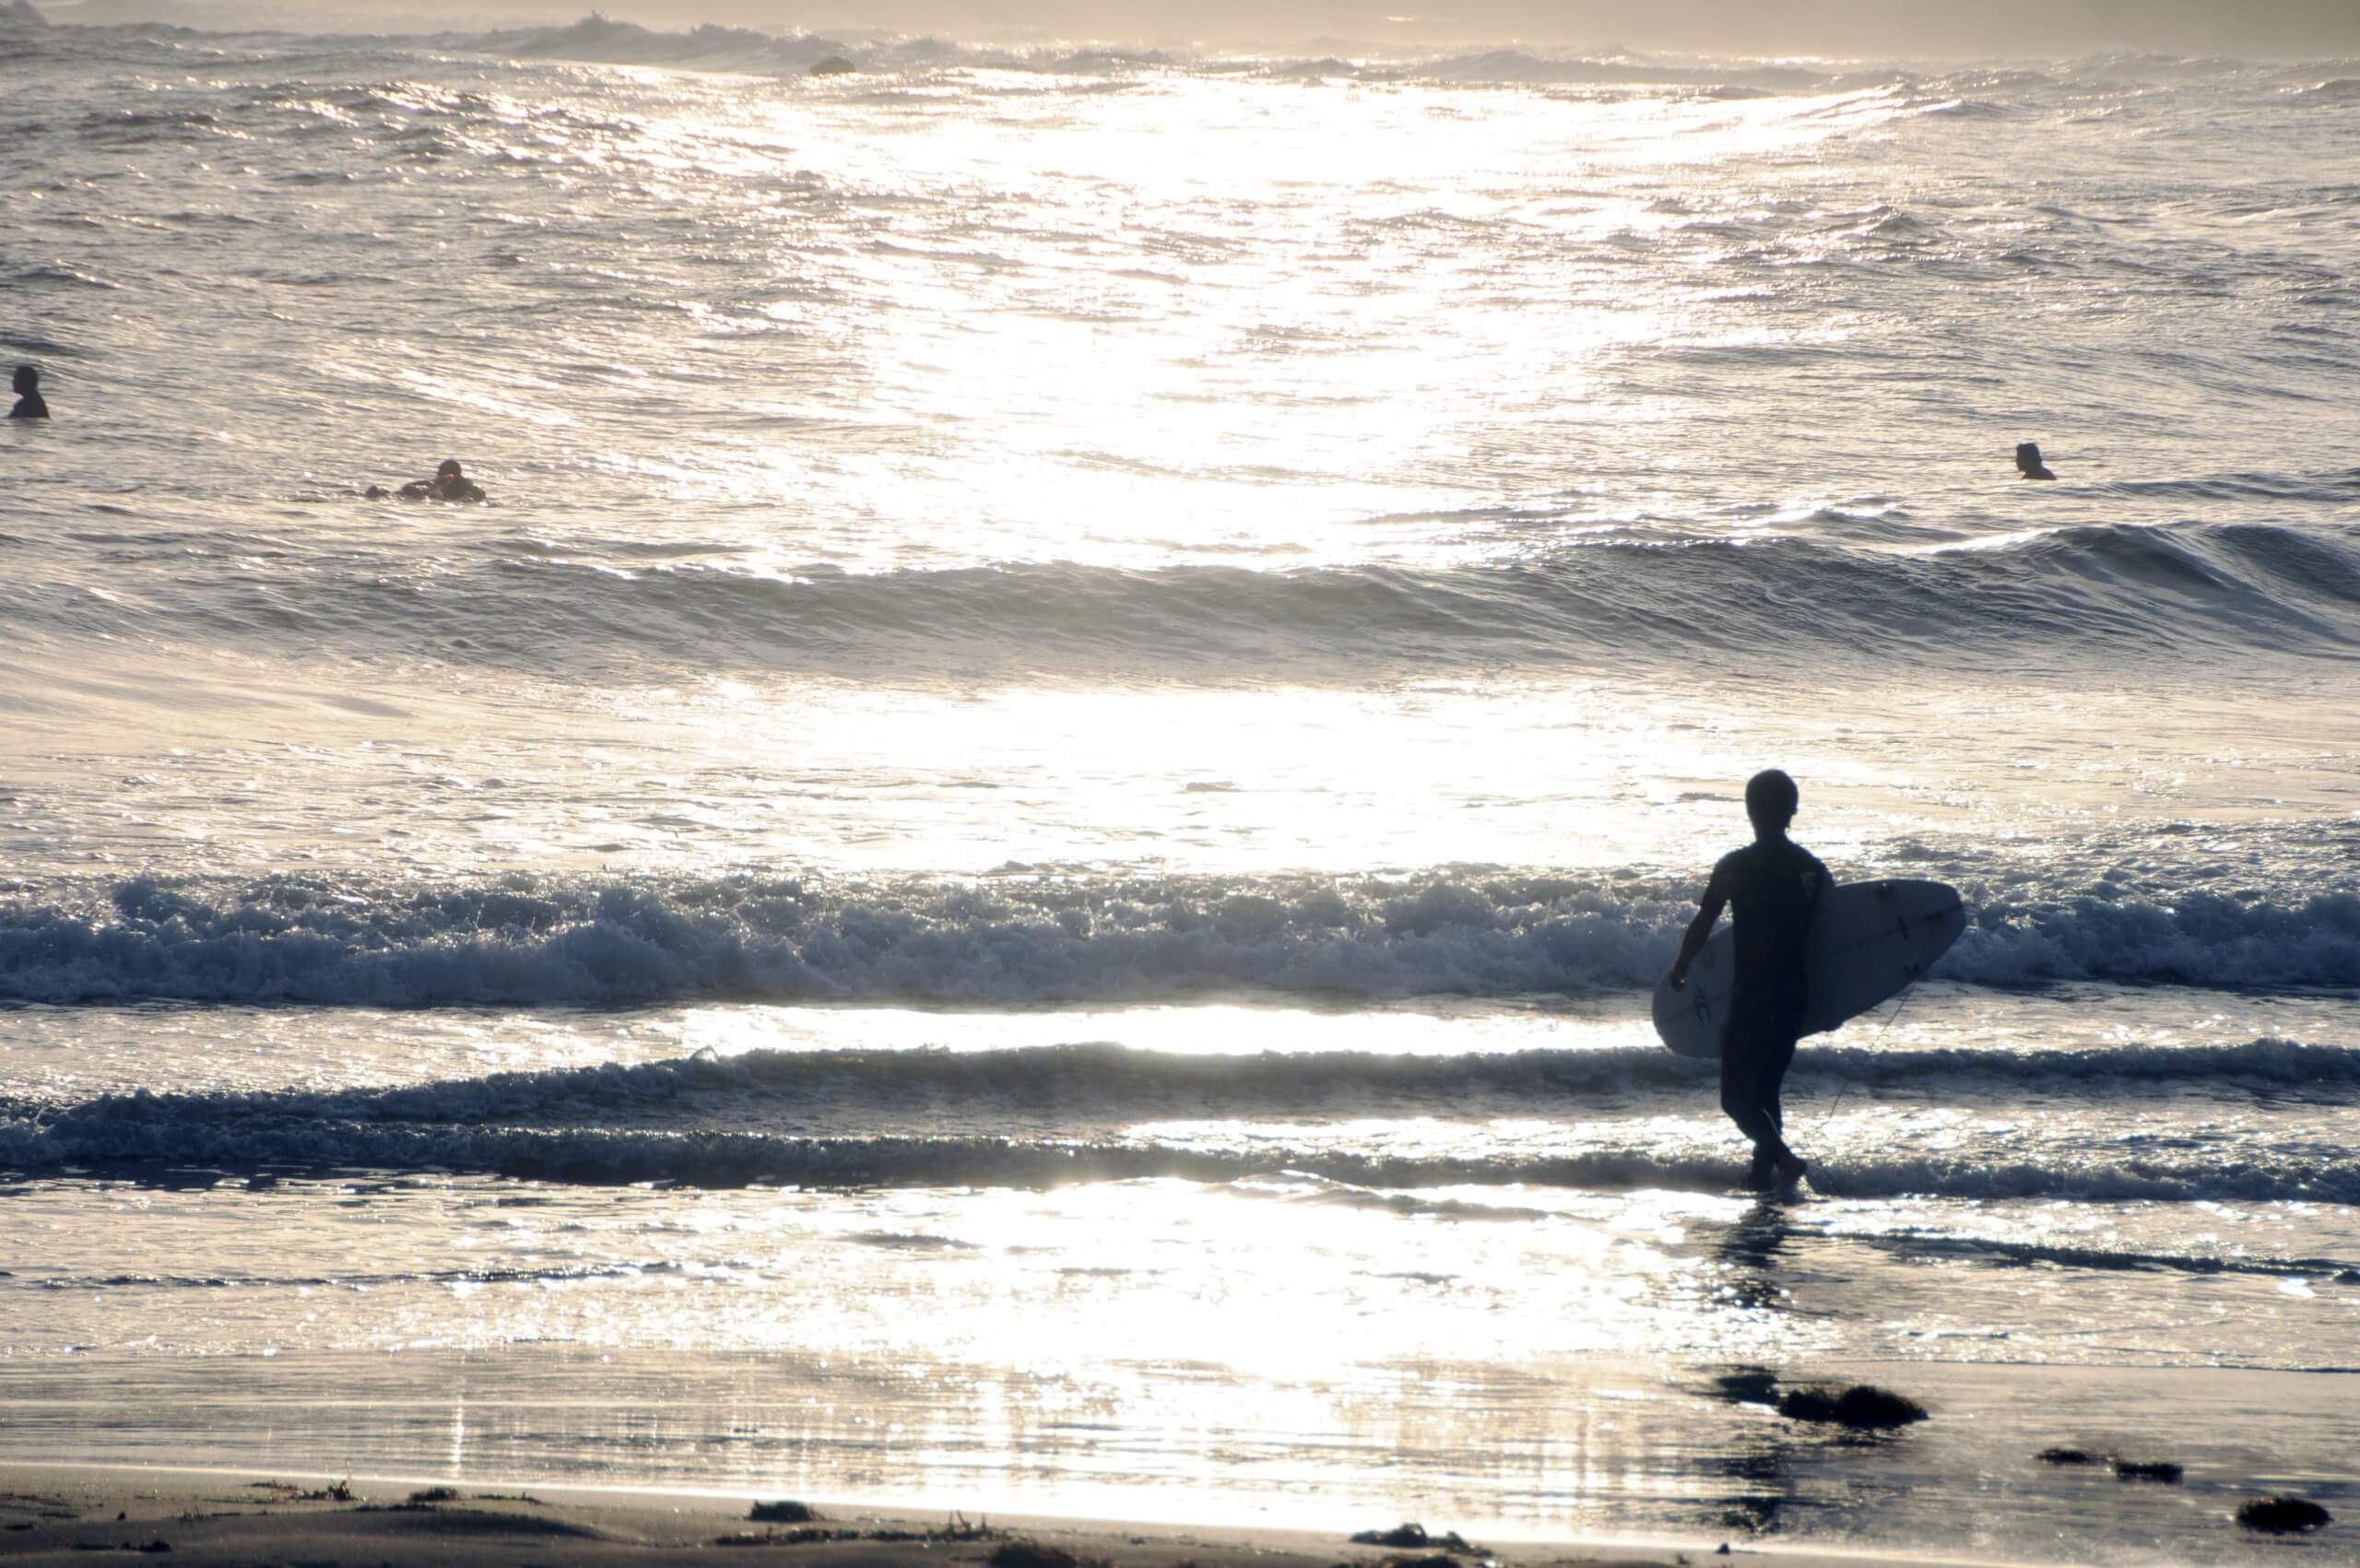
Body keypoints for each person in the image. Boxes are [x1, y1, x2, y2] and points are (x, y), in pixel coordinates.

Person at [1666, 769, 1830, 1191]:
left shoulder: (1735, 868)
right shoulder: (1812, 871)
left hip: (1754, 994)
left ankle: (1784, 1159)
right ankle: (1761, 1177)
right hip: (1795, 995)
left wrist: (1682, 964)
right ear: (1792, 811)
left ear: (1750, 811)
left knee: (1736, 1097)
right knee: (1767, 1089)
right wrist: (1836, 1002)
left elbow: (1706, 920)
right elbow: (1837, 942)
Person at [367, 458, 485, 502]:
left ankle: (379, 493)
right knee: (411, 492)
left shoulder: (462, 484)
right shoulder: (434, 483)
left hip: (439, 498)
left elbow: (479, 493)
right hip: (433, 496)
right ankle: (380, 493)